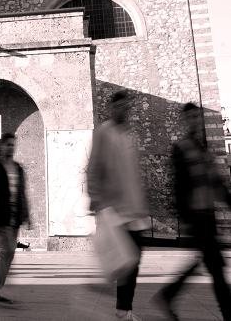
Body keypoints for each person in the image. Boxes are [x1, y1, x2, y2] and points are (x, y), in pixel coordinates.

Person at [152, 103, 231, 320]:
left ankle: (168, 295)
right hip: (197, 218)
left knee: (209, 264)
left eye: (197, 117)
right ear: (184, 121)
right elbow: (178, 186)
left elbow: (216, 183)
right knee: (216, 267)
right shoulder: (182, 149)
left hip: (208, 216)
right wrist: (186, 218)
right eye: (190, 117)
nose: (194, 121)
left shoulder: (203, 150)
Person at [87, 90, 149, 321]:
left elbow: (132, 173)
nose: (124, 110)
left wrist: (141, 205)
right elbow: (94, 166)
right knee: (126, 259)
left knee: (133, 260)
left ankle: (122, 305)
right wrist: (96, 197)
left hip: (134, 209)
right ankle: (121, 306)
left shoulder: (129, 135)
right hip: (114, 208)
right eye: (119, 106)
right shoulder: (104, 132)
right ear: (112, 108)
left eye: (126, 107)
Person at [0, 132, 31, 304]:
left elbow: (22, 193)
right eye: (7, 144)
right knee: (8, 250)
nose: (10, 147)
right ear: (1, 146)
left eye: (12, 145)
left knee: (9, 252)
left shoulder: (18, 168)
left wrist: (27, 215)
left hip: (14, 217)